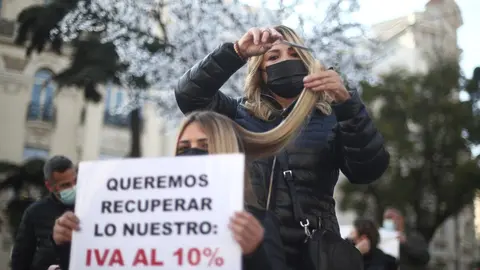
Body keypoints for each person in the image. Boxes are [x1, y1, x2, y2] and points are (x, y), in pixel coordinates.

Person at [175, 25, 390, 269]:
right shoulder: (236, 114)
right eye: (273, 57)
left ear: (307, 62)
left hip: (315, 254)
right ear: (261, 71)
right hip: (255, 248)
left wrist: (348, 106)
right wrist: (236, 52)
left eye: (294, 54)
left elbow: (368, 170)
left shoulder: (331, 117)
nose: (285, 61)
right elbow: (189, 97)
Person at [52, 111, 287, 270]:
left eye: (204, 146)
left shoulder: (259, 223)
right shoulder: (147, 222)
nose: (193, 153)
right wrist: (70, 244)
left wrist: (254, 253)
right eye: (184, 148)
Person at [11, 155, 77, 270]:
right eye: (65, 185)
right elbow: (21, 258)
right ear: (49, 186)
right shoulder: (35, 212)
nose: (73, 188)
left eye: (75, 181)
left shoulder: (86, 208)